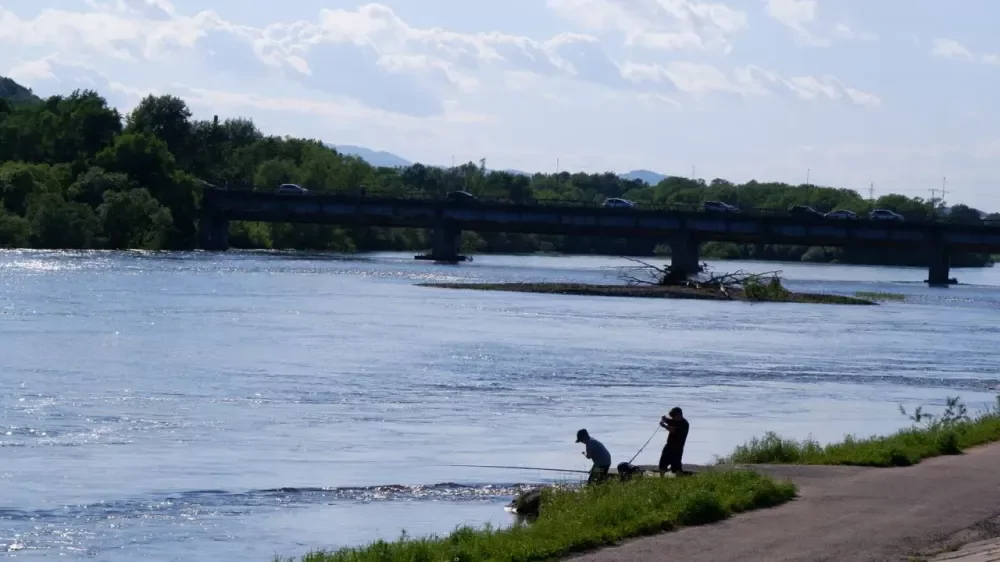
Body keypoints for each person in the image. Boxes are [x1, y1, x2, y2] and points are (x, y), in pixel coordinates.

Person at [658, 407, 690, 476]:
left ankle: (680, 479)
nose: (672, 417)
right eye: (671, 416)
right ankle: (661, 479)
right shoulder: (675, 421)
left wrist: (664, 425)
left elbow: (673, 430)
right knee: (662, 463)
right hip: (669, 445)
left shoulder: (684, 424)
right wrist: (665, 419)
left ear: (679, 415)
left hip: (677, 448)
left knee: (676, 466)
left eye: (673, 416)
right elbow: (670, 421)